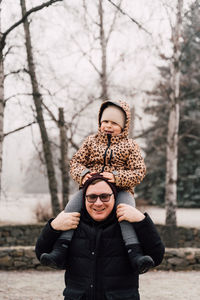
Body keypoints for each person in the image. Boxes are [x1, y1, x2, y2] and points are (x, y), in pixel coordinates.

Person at [40, 100, 154, 273]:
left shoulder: (130, 146)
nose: (108, 126)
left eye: (114, 123)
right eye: (105, 121)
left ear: (123, 126)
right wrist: (84, 174)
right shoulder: (91, 142)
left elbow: (139, 171)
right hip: (91, 187)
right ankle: (60, 249)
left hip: (121, 189)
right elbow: (75, 163)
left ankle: (135, 252)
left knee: (125, 211)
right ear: (100, 122)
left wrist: (117, 177)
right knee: (72, 209)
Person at [35, 175, 165, 300]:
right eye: (92, 197)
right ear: (84, 198)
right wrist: (53, 227)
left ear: (115, 197)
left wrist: (142, 221)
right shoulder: (71, 224)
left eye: (104, 197)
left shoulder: (129, 223)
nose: (98, 203)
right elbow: (41, 253)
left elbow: (156, 256)